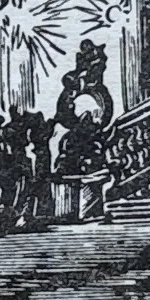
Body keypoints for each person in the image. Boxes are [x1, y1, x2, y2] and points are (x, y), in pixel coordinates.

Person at [51, 42, 116, 222]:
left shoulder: (93, 95)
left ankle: (88, 212)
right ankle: (83, 212)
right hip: (79, 159)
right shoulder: (77, 91)